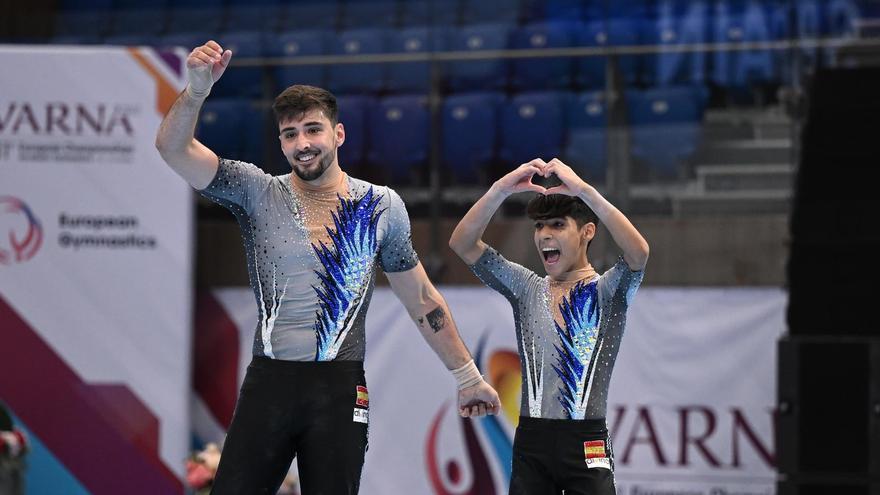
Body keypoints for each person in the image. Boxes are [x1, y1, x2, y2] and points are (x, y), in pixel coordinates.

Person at [155, 40, 500, 494]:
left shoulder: (380, 206)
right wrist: (196, 91)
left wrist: (468, 377)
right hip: (270, 382)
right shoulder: (256, 192)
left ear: (338, 134)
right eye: (290, 134)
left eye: (313, 130)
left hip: (338, 389)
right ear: (280, 142)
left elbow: (421, 300)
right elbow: (172, 149)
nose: (302, 144)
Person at [449, 158, 649, 494]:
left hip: (587, 444)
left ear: (587, 232)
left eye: (557, 225)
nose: (544, 235)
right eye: (539, 226)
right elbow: (463, 244)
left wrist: (584, 190)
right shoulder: (527, 288)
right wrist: (501, 189)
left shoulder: (606, 293)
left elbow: (638, 253)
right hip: (532, 445)